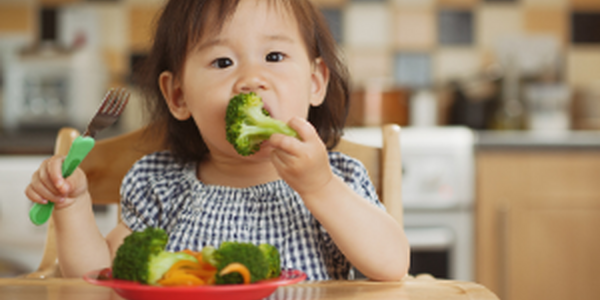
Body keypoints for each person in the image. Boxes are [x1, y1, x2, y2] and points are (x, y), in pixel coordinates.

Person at [25, 0, 409, 281]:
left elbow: (392, 265)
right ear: (178, 96)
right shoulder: (161, 185)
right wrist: (72, 206)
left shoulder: (337, 179)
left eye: (274, 55)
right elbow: (101, 279)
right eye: (223, 62)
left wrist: (321, 188)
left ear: (315, 82)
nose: (251, 80)